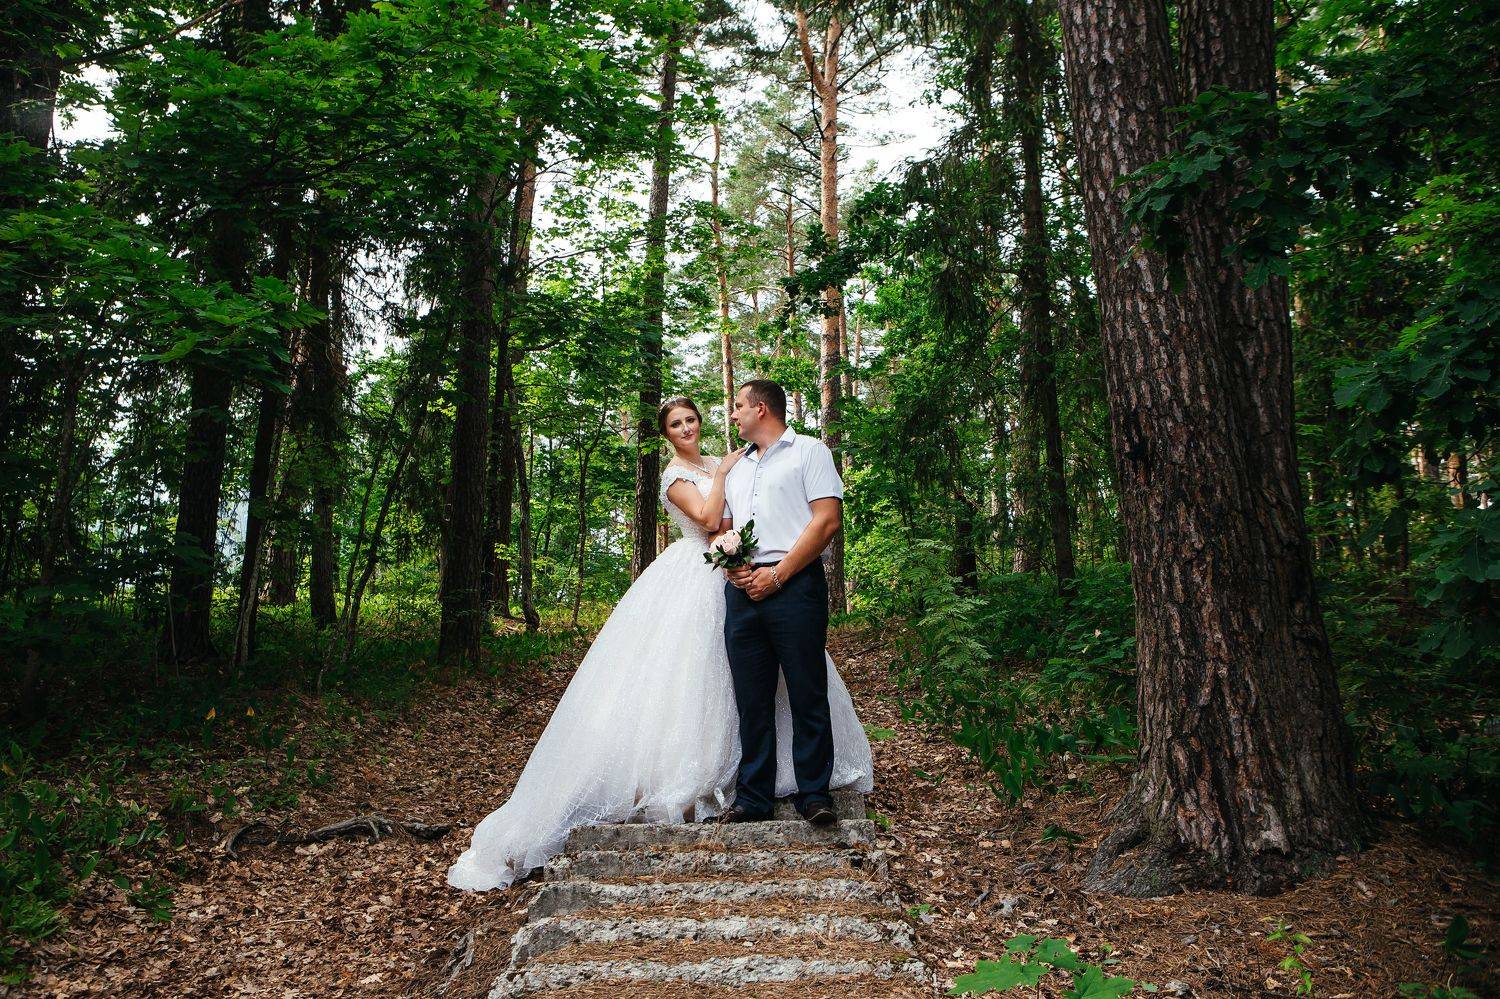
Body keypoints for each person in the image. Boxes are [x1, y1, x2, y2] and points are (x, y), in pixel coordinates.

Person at [445, 395, 873, 891]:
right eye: (676, 424)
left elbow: (758, 518)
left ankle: (806, 787)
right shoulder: (684, 474)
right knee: (711, 683)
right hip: (698, 577)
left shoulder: (753, 459)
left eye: (691, 419)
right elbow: (711, 521)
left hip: (753, 576)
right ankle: (740, 787)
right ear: (666, 434)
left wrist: (743, 549)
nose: (687, 427)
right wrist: (727, 510)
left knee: (790, 684)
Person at [719, 380, 844, 824]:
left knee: (807, 691)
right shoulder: (736, 467)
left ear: (761, 409)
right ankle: (753, 797)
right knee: (751, 699)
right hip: (742, 591)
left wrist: (779, 574)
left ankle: (814, 795)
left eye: (738, 406)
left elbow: (827, 521)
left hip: (795, 586)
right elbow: (724, 528)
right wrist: (732, 566)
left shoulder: (810, 452)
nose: (733, 414)